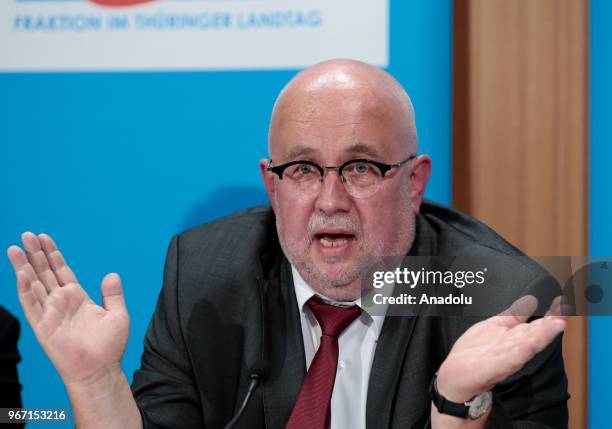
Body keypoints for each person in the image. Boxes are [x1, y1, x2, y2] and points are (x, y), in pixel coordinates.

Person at [6, 59, 568, 429]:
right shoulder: (203, 278)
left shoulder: (498, 300)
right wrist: (95, 381)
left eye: (362, 168)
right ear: (272, 186)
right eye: (302, 169)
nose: (330, 200)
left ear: (414, 183)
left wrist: (455, 408)